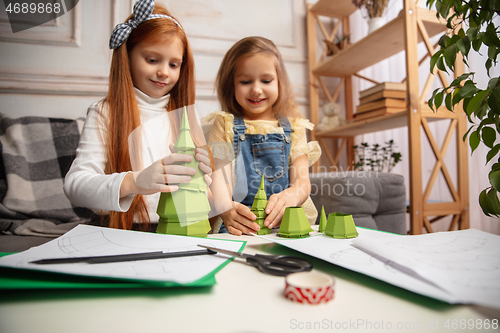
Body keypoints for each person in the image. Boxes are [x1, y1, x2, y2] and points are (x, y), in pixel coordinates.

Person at [64, 0, 211, 231]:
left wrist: (204, 182)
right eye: (152, 60)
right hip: (119, 230)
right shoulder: (105, 112)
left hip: (177, 232)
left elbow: (206, 193)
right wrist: (135, 181)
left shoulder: (186, 117)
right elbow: (75, 185)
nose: (164, 72)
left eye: (174, 64)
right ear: (127, 55)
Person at [204, 36, 321, 235]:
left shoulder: (294, 127)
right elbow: (220, 179)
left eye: (266, 80)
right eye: (245, 81)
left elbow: (302, 181)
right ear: (231, 85)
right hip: (238, 223)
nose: (256, 89)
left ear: (279, 82)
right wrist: (225, 208)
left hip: (286, 224)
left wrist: (292, 196)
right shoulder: (224, 125)